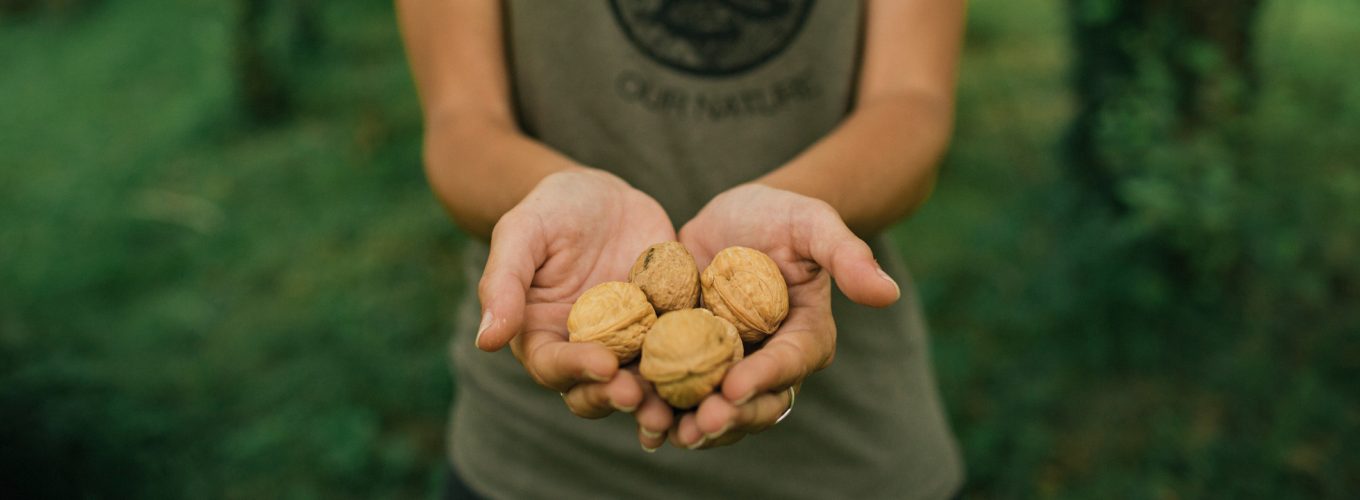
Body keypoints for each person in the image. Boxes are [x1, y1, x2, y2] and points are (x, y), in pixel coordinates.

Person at [398, 0, 966, 498]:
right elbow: (460, 123)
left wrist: (801, 211)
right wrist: (547, 202)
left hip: (849, 447)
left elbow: (911, 103)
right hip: (534, 453)